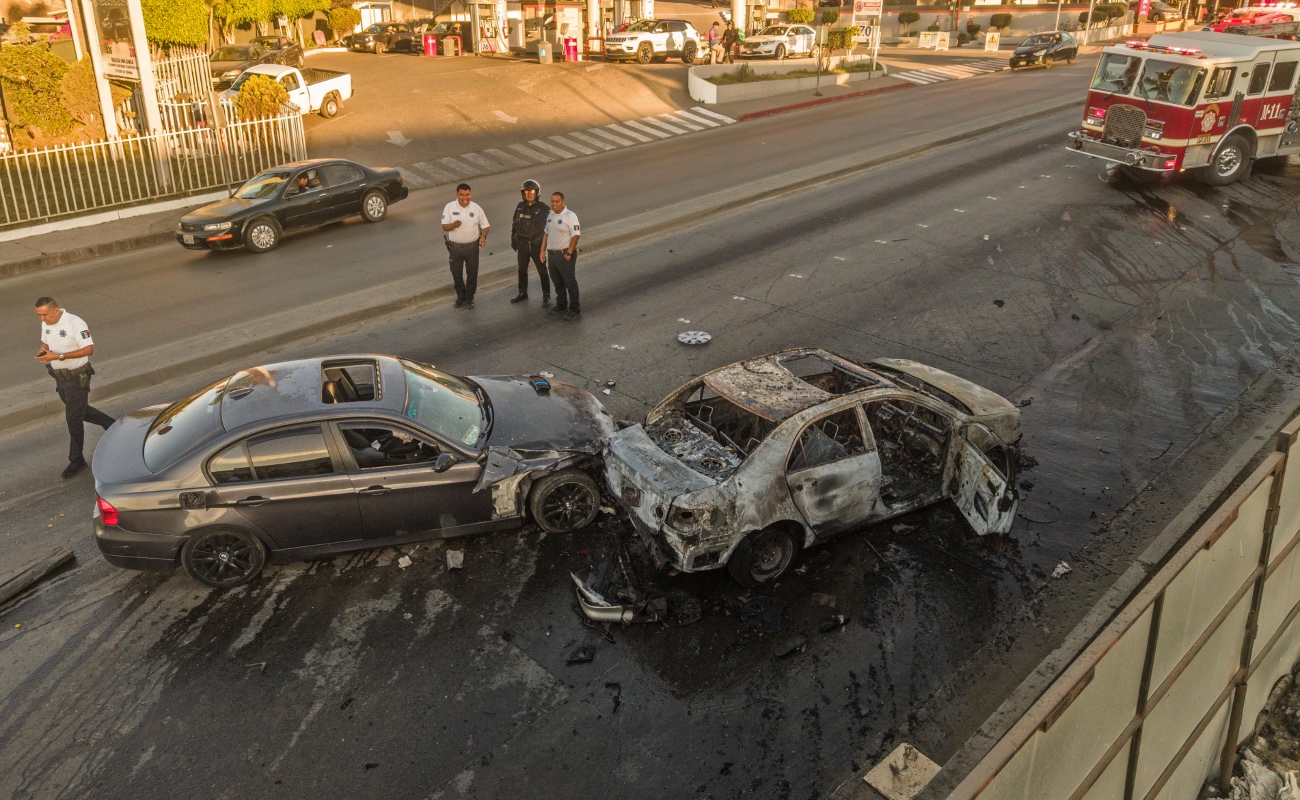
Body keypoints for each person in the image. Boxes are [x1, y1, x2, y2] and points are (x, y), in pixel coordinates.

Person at [34, 297, 114, 478]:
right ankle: (113, 425)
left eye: (44, 314)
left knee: (73, 419)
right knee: (81, 411)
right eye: (39, 315)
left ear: (55, 310)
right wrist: (44, 351)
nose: (42, 318)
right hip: (60, 380)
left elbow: (88, 349)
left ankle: (77, 459)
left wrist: (58, 357)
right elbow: (46, 342)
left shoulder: (75, 323)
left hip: (76, 379)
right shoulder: (46, 323)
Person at [440, 183, 490, 309]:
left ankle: (470, 298)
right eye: (462, 195)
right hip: (455, 247)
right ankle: (460, 297)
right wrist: (453, 226)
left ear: (470, 194)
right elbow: (444, 226)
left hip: (472, 247)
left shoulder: (476, 208)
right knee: (456, 273)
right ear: (457, 194)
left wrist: (483, 237)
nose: (465, 198)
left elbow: (486, 226)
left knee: (472, 273)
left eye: (467, 195)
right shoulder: (449, 207)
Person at [540, 192, 581, 321]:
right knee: (557, 282)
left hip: (564, 255)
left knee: (570, 283)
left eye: (557, 201)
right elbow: (546, 233)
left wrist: (569, 252)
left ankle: (575, 309)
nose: (554, 204)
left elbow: (576, 235)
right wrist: (542, 250)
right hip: (552, 255)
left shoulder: (570, 216)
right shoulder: (550, 215)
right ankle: (562, 304)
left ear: (563, 202)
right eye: (552, 201)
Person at [510, 179, 551, 306]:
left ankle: (546, 295)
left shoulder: (544, 209)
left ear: (537, 193)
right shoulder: (520, 206)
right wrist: (513, 237)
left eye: (531, 192)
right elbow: (515, 223)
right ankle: (523, 292)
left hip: (536, 245)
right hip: (522, 244)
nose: (529, 194)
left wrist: (540, 242)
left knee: (542, 271)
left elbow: (549, 227)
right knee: (522, 269)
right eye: (526, 192)